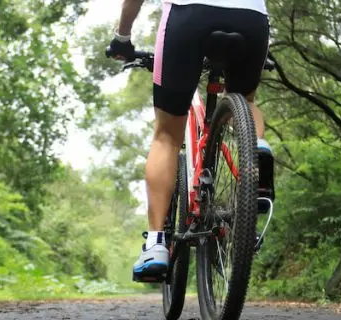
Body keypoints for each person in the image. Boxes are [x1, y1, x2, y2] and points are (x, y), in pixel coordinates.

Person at [106, 0, 274, 283]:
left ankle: (156, 244)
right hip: (252, 19)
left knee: (167, 135)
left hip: (189, 16)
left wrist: (122, 38)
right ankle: (256, 153)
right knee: (245, 101)